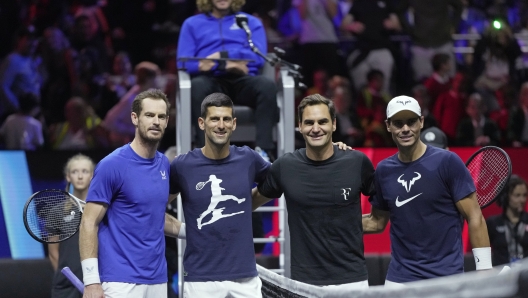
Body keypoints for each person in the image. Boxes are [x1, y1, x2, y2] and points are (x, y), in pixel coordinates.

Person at [362, 95, 491, 287]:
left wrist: (485, 271)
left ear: (421, 122)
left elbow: (475, 217)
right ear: (388, 126)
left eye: (411, 122)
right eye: (398, 123)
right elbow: (377, 222)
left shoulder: (448, 162)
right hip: (399, 280)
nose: (405, 129)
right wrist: (331, 223)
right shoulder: (383, 170)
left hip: (447, 280)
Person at [255, 94, 375, 289]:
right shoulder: (285, 166)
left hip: (352, 281)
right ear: (300, 126)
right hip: (304, 284)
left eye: (323, 122)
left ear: (334, 124)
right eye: (309, 122)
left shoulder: (357, 162)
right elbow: (249, 203)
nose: (316, 128)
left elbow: (380, 217)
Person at [79, 89, 184, 298]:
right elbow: (88, 222)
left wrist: (195, 232)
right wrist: (91, 281)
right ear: (135, 118)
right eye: (149, 115)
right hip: (119, 282)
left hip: (158, 280)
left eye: (161, 116)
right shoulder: (111, 165)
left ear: (166, 121)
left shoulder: (164, 163)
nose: (156, 121)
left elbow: (152, 217)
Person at [168, 93, 271, 297]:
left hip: (245, 278)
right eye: (214, 119)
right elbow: (153, 210)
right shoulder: (182, 165)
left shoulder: (248, 158)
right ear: (202, 123)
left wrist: (247, 204)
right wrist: (183, 231)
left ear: (234, 124)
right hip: (200, 280)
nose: (220, 125)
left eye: (226, 119)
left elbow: (276, 182)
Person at [177, 0, 278, 161]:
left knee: (266, 86)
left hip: (243, 81)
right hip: (211, 80)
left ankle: (263, 152)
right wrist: (231, 62)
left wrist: (219, 57)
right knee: (197, 86)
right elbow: (184, 62)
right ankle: (205, 152)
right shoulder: (192, 24)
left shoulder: (250, 22)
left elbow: (258, 58)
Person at [49, 154, 95, 298]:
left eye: (85, 171)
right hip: (66, 287)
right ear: (68, 177)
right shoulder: (57, 211)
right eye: (75, 172)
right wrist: (71, 279)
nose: (80, 176)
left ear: (92, 176)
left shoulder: (101, 210)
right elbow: (53, 252)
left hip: (96, 283)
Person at [486, 175, 528, 267]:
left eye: (524, 195)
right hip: (500, 276)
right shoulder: (492, 223)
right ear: (505, 197)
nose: (522, 200)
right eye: (517, 195)